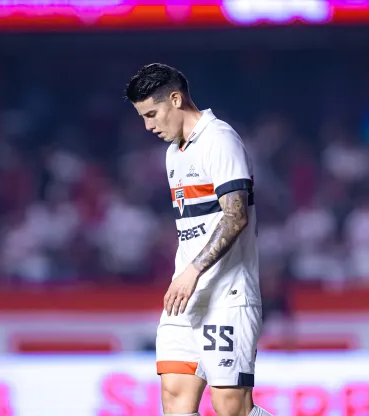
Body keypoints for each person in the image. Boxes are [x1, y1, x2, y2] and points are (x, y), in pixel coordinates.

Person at [124, 63, 272, 416]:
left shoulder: (220, 139)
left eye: (152, 114)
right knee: (174, 396)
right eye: (142, 117)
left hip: (228, 293)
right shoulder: (174, 153)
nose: (149, 126)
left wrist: (191, 271)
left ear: (175, 99)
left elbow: (236, 216)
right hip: (186, 297)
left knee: (230, 406)